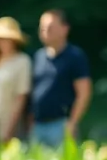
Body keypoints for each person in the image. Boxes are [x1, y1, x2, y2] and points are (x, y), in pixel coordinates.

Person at [30, 9, 92, 147]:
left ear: (65, 29)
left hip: (61, 125)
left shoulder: (75, 57)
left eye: (50, 27)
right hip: (38, 125)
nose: (45, 31)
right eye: (42, 28)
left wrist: (72, 122)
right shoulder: (39, 57)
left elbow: (84, 93)